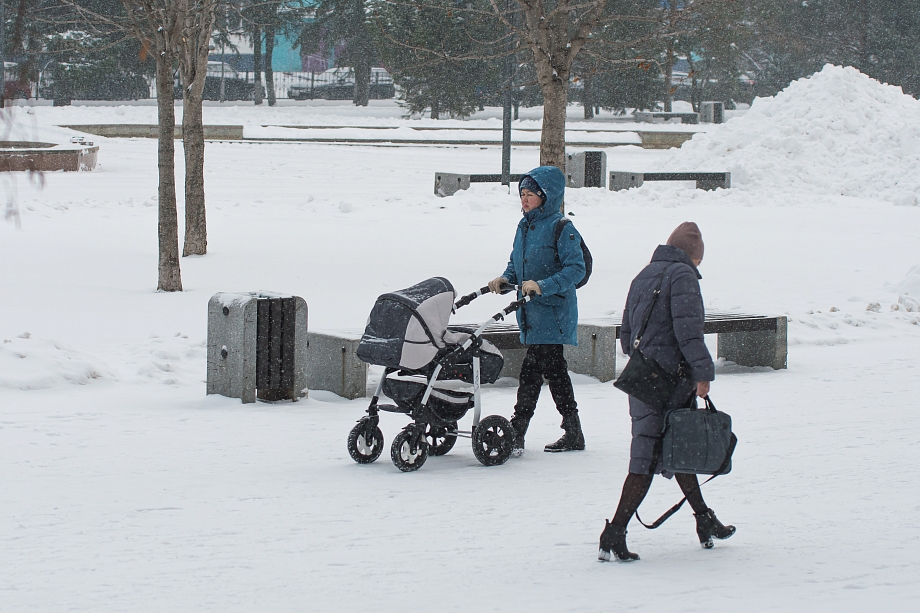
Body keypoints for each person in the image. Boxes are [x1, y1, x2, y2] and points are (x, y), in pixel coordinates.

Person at [598, 222, 735, 562]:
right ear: (693, 255)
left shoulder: (644, 275)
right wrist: (702, 374)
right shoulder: (683, 276)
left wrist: (648, 358)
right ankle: (614, 531)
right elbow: (689, 331)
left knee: (676, 444)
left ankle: (704, 520)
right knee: (646, 458)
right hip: (669, 381)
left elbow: (627, 335)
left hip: (643, 377)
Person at [488, 166, 587, 455]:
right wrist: (506, 279)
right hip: (532, 314)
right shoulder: (524, 226)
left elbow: (576, 270)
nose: (525, 199)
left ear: (547, 196)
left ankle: (518, 430)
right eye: (522, 194)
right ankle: (572, 430)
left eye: (531, 194)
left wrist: (542, 285)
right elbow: (517, 264)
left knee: (533, 372)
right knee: (554, 373)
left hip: (554, 313)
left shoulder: (562, 227)